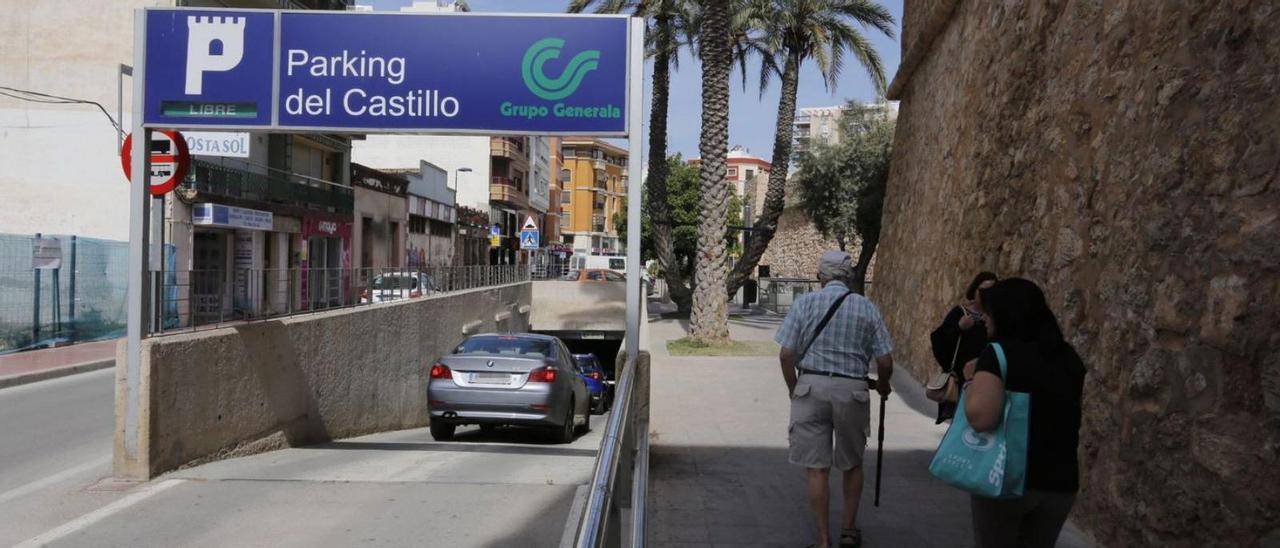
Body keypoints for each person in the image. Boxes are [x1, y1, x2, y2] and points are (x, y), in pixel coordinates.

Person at [775, 251, 894, 548]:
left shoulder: (804, 304)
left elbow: (786, 354)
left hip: (811, 386)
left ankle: (823, 540)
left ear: (819, 277)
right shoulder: (867, 308)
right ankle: (848, 531)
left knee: (817, 468)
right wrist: (883, 385)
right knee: (852, 464)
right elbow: (885, 359)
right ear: (850, 277)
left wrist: (794, 388)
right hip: (852, 390)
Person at [962, 278, 1086, 548]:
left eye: (989, 312)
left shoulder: (997, 355)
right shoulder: (1069, 358)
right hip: (1059, 483)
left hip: (1006, 478)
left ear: (1006, 314)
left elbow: (981, 418)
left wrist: (972, 381)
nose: (984, 318)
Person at [928, 272, 999, 423]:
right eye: (983, 290)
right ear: (974, 290)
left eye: (992, 291)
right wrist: (958, 327)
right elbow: (939, 340)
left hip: (986, 378)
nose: (987, 295)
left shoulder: (996, 317)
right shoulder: (960, 313)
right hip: (961, 378)